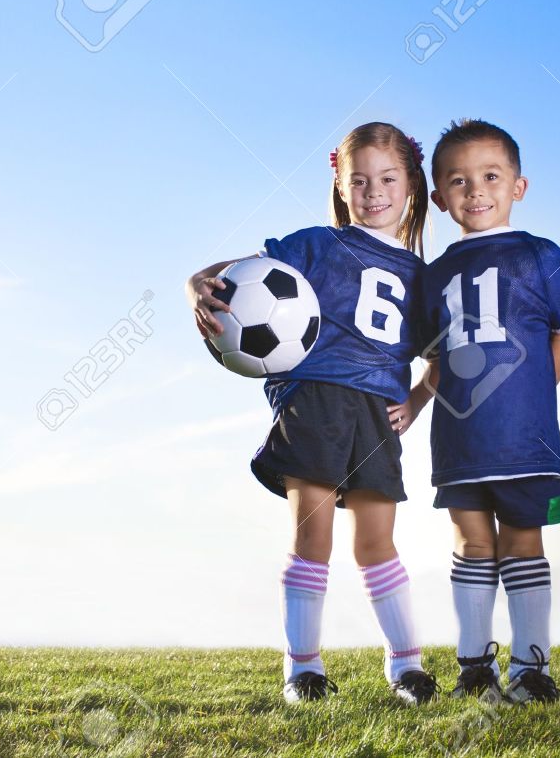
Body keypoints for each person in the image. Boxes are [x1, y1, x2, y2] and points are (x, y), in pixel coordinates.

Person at [185, 122, 437, 705]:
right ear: (341, 185)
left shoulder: (422, 278)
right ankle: (302, 669)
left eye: (388, 179)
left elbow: (443, 356)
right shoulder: (315, 245)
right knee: (312, 538)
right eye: (360, 180)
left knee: (377, 541)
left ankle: (406, 667)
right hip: (313, 402)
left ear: (411, 185)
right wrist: (195, 283)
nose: (374, 192)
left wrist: (418, 400)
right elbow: (226, 276)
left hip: (377, 414)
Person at [401, 118, 560, 704]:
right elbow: (439, 358)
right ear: (440, 197)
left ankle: (530, 669)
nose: (475, 190)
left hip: (526, 441)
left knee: (523, 543)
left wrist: (534, 397)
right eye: (458, 180)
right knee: (471, 545)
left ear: (518, 186)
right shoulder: (432, 276)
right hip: (460, 440)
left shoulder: (540, 255)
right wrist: (413, 403)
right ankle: (474, 667)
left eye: (490, 176)